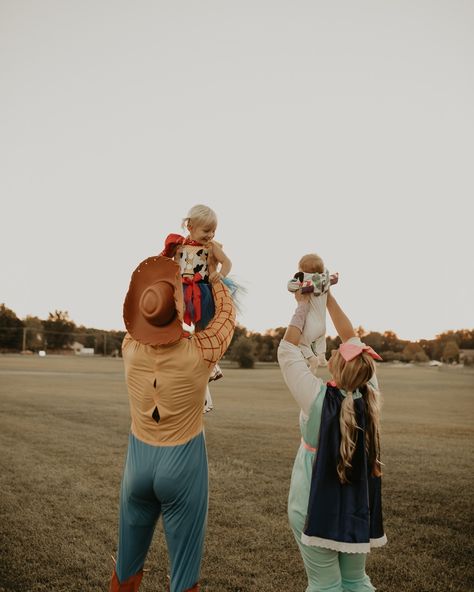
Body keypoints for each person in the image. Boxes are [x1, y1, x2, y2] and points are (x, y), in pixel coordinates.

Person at [108, 255, 235, 592]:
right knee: (184, 573)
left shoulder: (129, 348)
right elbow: (226, 317)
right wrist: (217, 278)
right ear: (179, 311)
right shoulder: (201, 352)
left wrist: (167, 262)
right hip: (182, 467)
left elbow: (140, 307)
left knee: (125, 568)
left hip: (138, 467)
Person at [277, 289, 386, 592]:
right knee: (355, 581)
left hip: (312, 504)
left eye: (338, 352)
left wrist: (302, 306)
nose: (338, 348)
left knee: (325, 586)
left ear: (338, 366)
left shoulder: (316, 397)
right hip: (357, 504)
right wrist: (327, 297)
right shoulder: (369, 392)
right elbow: (350, 336)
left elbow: (287, 351)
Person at [161, 204, 233, 411]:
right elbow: (167, 265)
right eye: (206, 230)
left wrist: (221, 275)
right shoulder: (178, 245)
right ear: (190, 226)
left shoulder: (212, 247)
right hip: (181, 292)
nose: (210, 235)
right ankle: (176, 361)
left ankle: (210, 369)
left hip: (202, 292)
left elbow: (227, 263)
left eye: (213, 231)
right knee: (174, 326)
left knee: (204, 333)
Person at [287, 253, 338, 375]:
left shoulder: (305, 280)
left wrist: (296, 279)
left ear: (302, 270)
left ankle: (312, 359)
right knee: (321, 339)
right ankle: (321, 356)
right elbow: (328, 273)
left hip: (310, 324)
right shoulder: (325, 281)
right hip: (322, 325)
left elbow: (290, 286)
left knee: (301, 342)